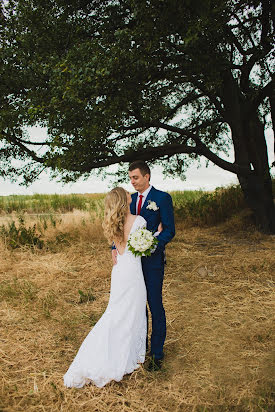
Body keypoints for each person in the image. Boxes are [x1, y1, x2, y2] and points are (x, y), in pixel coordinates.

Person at [63, 187, 149, 388]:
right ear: (124, 199)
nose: (131, 193)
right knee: (133, 313)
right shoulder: (139, 221)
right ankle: (129, 357)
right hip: (133, 274)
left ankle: (115, 352)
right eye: (127, 192)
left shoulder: (114, 223)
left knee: (116, 313)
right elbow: (143, 249)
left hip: (119, 272)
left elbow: (120, 247)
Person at [112, 161, 175, 371]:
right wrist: (114, 247)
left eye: (136, 177)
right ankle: (139, 350)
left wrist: (152, 244)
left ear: (147, 176)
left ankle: (156, 354)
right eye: (130, 178)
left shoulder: (162, 198)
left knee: (154, 305)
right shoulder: (128, 201)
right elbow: (121, 226)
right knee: (137, 308)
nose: (132, 182)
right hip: (131, 265)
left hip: (152, 262)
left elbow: (169, 230)